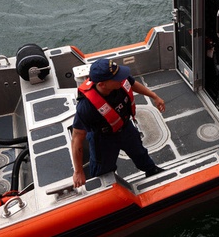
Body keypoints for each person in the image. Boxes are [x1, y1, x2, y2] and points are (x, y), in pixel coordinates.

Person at [71, 58, 166, 188]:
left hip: (125, 127)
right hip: (104, 138)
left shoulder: (120, 81)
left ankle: (151, 170)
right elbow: (77, 138)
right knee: (103, 168)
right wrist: (78, 171)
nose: (123, 78)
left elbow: (132, 84)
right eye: (117, 77)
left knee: (139, 152)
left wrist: (154, 96)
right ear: (102, 85)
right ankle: (106, 188)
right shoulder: (86, 107)